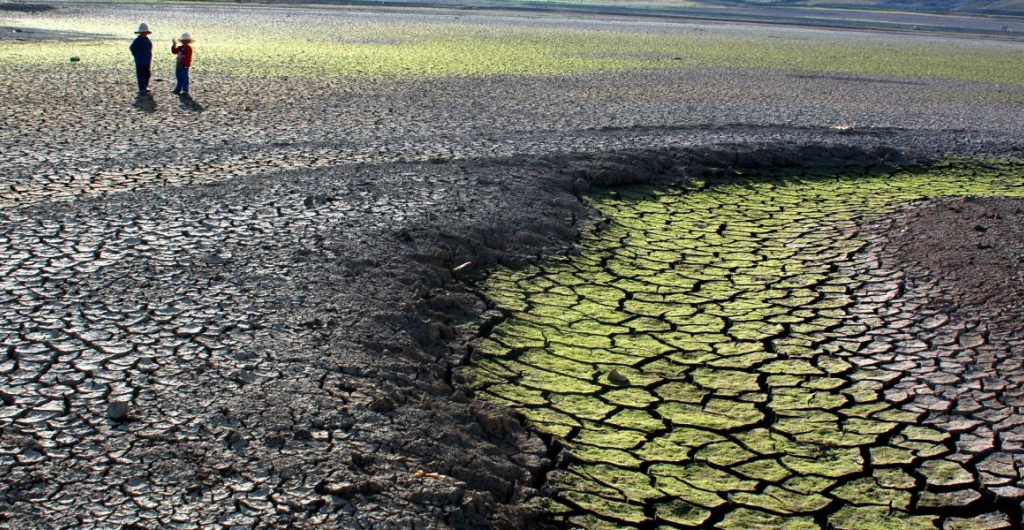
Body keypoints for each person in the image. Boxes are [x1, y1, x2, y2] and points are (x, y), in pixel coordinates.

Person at [128, 23, 152, 94]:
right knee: (140, 75)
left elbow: (149, 50)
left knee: (147, 74)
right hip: (139, 62)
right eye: (142, 32)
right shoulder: (137, 40)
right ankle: (141, 88)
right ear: (140, 33)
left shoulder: (148, 41)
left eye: (145, 32)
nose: (144, 34)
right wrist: (136, 55)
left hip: (147, 61)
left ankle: (145, 86)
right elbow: (132, 48)